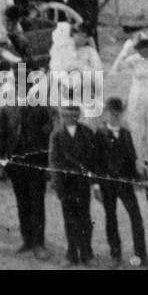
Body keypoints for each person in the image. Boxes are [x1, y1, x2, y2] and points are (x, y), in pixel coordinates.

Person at [0, 68, 53, 258]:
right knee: (22, 203)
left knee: (37, 204)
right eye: (19, 85)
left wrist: (48, 165)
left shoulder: (41, 109)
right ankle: (27, 239)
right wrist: (1, 164)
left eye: (26, 85)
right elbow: (0, 137)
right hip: (15, 164)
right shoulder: (6, 108)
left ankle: (39, 244)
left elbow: (48, 139)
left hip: (35, 164)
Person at [94, 97, 147, 267]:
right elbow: (95, 162)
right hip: (107, 184)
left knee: (136, 218)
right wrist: (95, 184)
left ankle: (141, 255)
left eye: (118, 114)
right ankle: (115, 254)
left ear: (122, 114)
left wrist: (138, 176)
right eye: (112, 114)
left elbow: (131, 158)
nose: (115, 117)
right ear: (106, 113)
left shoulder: (126, 134)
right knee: (111, 218)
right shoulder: (100, 134)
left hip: (125, 183)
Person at [49, 103, 96, 265]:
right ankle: (71, 254)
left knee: (85, 219)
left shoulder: (87, 133)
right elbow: (54, 161)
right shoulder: (56, 135)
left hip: (82, 184)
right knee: (69, 220)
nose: (69, 118)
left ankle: (87, 254)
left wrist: (93, 183)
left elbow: (92, 160)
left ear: (78, 116)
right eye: (65, 115)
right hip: (66, 184)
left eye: (73, 115)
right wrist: (57, 185)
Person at [111, 32, 148, 179]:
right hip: (137, 98)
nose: (143, 50)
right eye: (140, 48)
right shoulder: (133, 60)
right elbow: (116, 68)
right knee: (137, 132)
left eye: (146, 47)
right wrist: (125, 50)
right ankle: (139, 168)